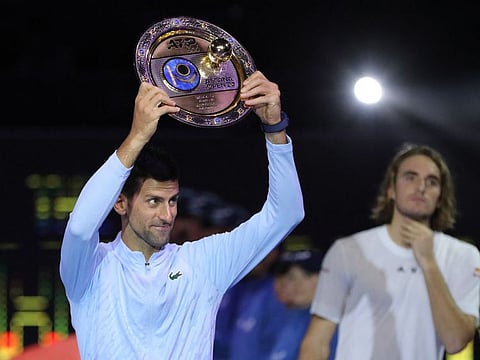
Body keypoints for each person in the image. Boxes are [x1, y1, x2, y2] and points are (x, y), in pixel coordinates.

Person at [59, 70, 304, 359]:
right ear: (120, 203)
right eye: (153, 201)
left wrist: (274, 127)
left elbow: (287, 213)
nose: (167, 214)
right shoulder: (90, 269)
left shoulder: (204, 262)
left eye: (172, 201)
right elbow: (79, 227)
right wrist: (137, 136)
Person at [298, 143, 480, 360]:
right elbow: (316, 343)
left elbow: (455, 342)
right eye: (410, 177)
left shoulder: (464, 255)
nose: (421, 187)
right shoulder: (348, 251)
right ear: (391, 189)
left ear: (440, 197)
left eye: (432, 182)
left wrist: (429, 262)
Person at [269, 238, 338, 360]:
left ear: (322, 278)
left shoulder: (332, 326)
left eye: (306, 275)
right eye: (281, 275)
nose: (284, 284)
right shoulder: (282, 316)